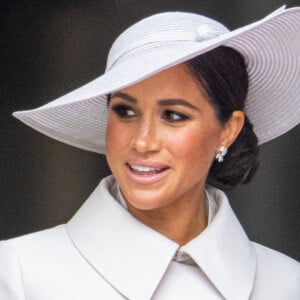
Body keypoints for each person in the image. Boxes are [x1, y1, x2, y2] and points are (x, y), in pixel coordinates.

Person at [1, 6, 300, 300]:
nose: (143, 142)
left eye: (173, 116)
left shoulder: (286, 284)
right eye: (125, 111)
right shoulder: (19, 272)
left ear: (228, 130)